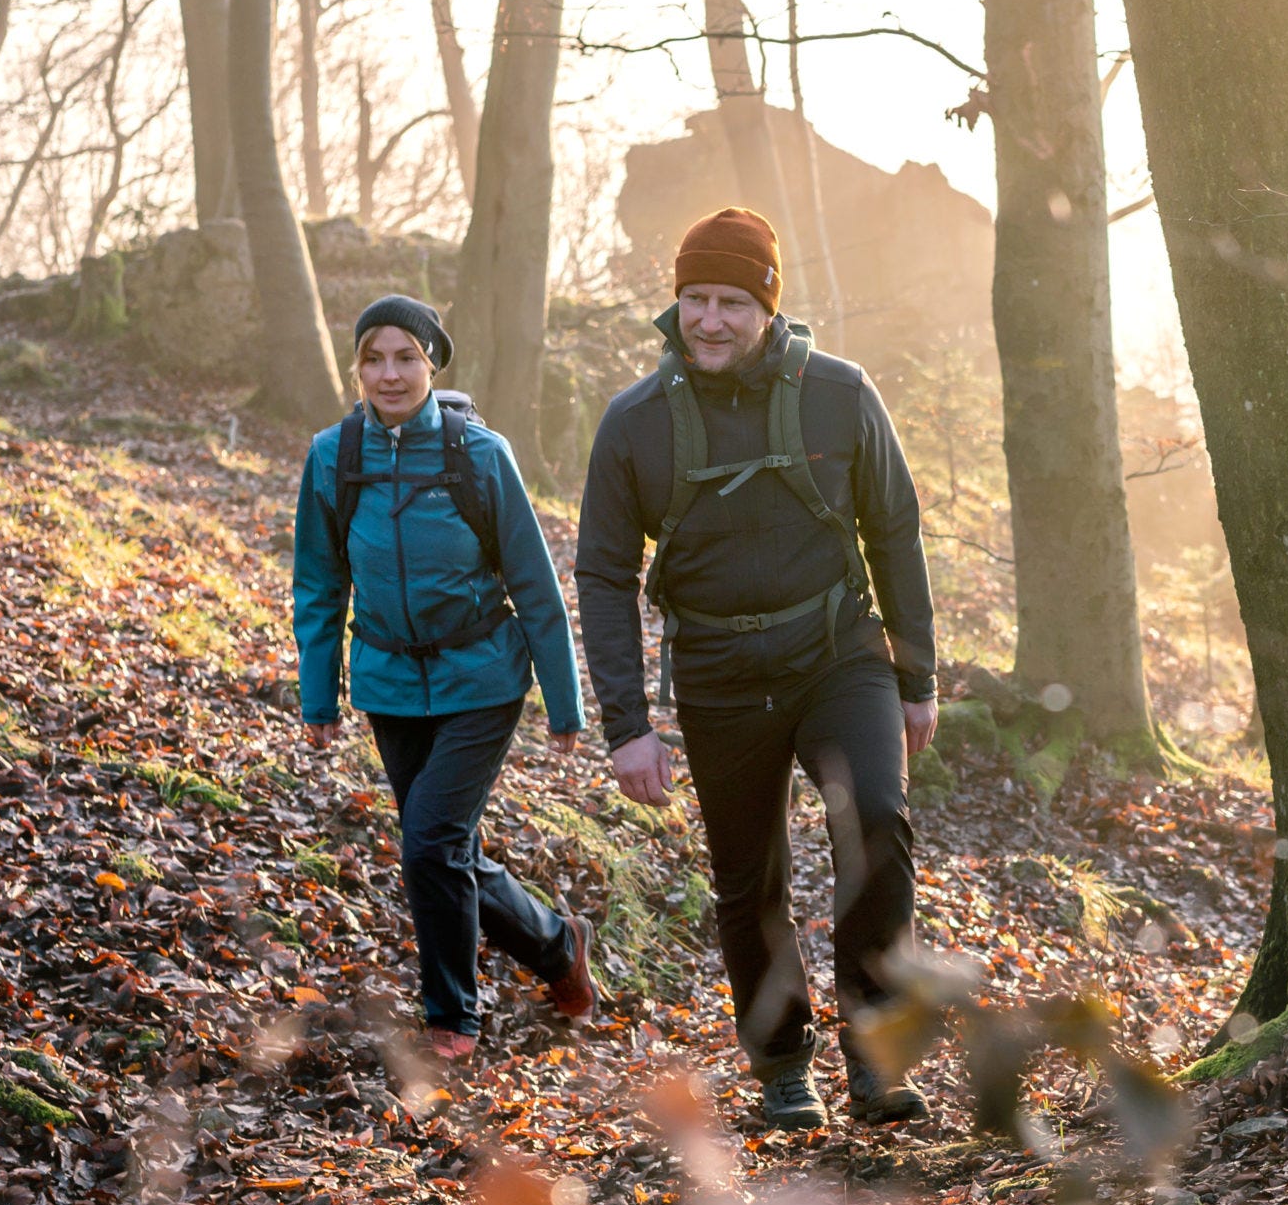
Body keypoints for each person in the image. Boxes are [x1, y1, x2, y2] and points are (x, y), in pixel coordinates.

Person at [577, 208, 939, 1129]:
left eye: (731, 301)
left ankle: (877, 1049)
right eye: (694, 299)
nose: (708, 320)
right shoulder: (635, 424)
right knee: (748, 876)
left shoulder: (841, 393)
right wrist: (626, 723)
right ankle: (782, 1064)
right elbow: (604, 573)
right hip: (718, 671)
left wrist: (916, 674)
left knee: (879, 826)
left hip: (837, 656)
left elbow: (894, 529)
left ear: (768, 306)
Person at [292, 294, 594, 1064]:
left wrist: (565, 705)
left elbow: (534, 584)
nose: (389, 373)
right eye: (373, 358)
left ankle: (452, 1015)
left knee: (428, 841)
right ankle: (558, 945)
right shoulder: (335, 456)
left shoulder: (478, 454)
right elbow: (320, 583)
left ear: (432, 363)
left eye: (405, 357)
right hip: (389, 680)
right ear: (356, 367)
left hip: (482, 677)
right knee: (445, 843)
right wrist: (319, 693)